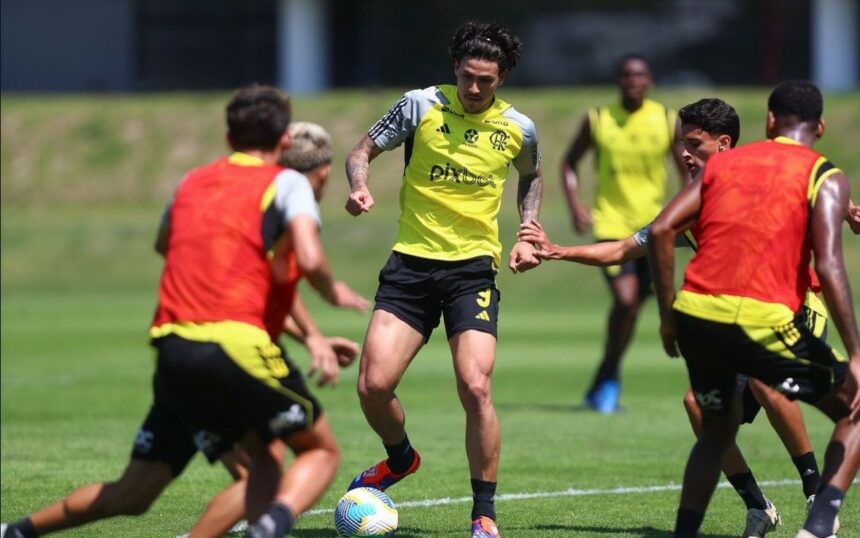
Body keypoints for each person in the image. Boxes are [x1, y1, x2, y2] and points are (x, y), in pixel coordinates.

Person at [1, 101, 367, 538]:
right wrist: (333, 293)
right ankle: (267, 528)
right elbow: (305, 261)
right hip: (232, 352)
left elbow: (165, 243)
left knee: (137, 492)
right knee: (318, 452)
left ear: (230, 138)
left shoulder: (193, 181)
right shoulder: (285, 186)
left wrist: (313, 338)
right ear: (285, 142)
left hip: (173, 349)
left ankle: (13, 532)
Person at [520, 97, 835, 537]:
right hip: (744, 319)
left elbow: (816, 200)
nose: (683, 154)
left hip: (799, 307)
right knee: (697, 405)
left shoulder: (758, 178)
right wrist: (557, 251)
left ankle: (817, 496)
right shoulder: (692, 203)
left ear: (723, 144)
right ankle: (758, 507)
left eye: (693, 144)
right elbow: (623, 248)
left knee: (766, 380)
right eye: (681, 144)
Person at [343, 21, 543, 538]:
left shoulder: (518, 128)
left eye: (486, 81)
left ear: (502, 79)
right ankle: (400, 459)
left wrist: (527, 230)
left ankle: (484, 516)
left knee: (475, 386)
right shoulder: (419, 105)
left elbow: (532, 176)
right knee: (372, 386)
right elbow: (360, 151)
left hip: (472, 269)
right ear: (455, 68)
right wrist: (360, 187)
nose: (474, 89)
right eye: (467, 77)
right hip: (410, 265)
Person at [648, 81, 859, 538]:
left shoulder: (723, 166)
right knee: (854, 406)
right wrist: (855, 351)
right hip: (762, 314)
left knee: (714, 427)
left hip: (696, 317)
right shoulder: (823, 172)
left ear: (767, 122)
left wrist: (668, 317)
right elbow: (829, 263)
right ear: (820, 127)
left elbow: (662, 229)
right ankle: (820, 521)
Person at [561, 53, 689, 413]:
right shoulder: (599, 119)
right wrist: (575, 206)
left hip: (655, 229)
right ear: (618, 80)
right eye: (627, 75)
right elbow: (569, 162)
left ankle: (606, 376)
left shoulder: (666, 120)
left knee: (633, 310)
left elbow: (688, 174)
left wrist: (685, 214)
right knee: (626, 300)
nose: (633, 81)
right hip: (611, 226)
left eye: (640, 75)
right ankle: (609, 379)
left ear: (649, 81)